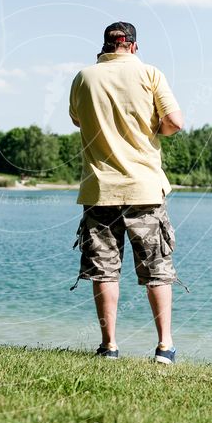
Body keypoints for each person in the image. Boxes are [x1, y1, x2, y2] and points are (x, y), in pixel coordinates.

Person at [69, 21, 186, 364]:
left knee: (104, 270)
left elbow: (78, 119)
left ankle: (109, 347)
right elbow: (175, 121)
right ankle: (164, 348)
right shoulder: (150, 73)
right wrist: (154, 127)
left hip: (100, 187)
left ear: (105, 46)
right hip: (145, 189)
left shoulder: (84, 77)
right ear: (133, 45)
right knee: (157, 269)